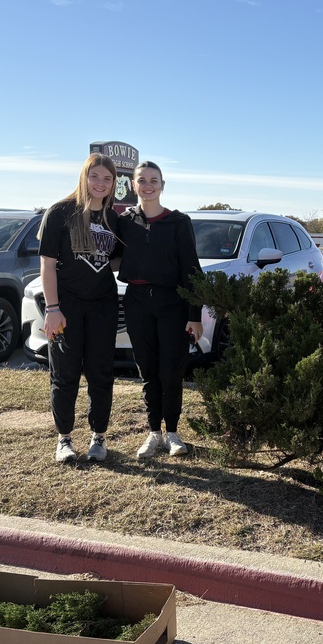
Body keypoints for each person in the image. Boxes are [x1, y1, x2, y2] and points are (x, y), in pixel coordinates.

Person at [38, 153, 122, 463]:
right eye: (95, 176)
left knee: (101, 373)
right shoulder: (60, 213)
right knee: (65, 374)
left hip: (103, 306)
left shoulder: (114, 219)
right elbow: (46, 265)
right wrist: (52, 308)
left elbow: (113, 260)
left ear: (114, 183)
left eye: (107, 178)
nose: (100, 183)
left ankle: (99, 437)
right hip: (67, 307)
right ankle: (64, 439)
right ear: (84, 176)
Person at [117, 160, 203, 458]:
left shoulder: (179, 222)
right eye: (142, 180)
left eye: (154, 180)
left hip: (172, 303)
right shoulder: (125, 221)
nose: (148, 185)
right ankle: (154, 432)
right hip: (137, 300)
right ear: (133, 185)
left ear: (162, 185)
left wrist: (195, 315)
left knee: (172, 369)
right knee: (148, 370)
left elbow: (192, 269)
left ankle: (174, 433)